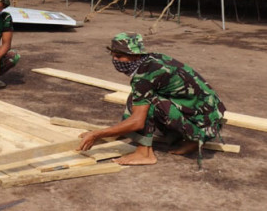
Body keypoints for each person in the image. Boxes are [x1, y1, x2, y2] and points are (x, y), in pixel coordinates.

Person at [77, 32, 226, 166]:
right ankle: (193, 140)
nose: (115, 60)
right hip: (206, 115)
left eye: (119, 56)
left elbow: (138, 121)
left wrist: (97, 134)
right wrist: (114, 131)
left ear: (135, 56)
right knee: (137, 97)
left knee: (150, 104)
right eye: (113, 55)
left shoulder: (145, 77)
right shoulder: (152, 59)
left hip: (203, 122)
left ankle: (144, 153)